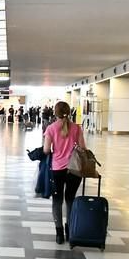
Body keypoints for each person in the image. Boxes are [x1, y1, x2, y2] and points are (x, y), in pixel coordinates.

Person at [43, 101, 86, 244]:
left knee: (57, 201)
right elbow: (83, 148)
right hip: (74, 169)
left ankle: (59, 233)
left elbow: (46, 150)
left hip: (57, 169)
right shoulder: (76, 128)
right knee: (70, 200)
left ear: (55, 113)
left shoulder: (51, 128)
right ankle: (70, 231)